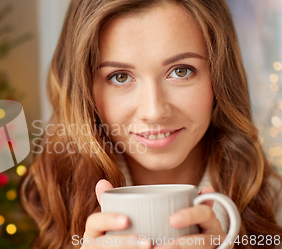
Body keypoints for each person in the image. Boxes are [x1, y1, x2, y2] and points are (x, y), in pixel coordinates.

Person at [19, 0, 282, 248]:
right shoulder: (55, 194)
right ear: (84, 90)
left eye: (181, 71)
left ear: (219, 75)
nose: (154, 112)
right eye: (120, 77)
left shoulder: (273, 204)